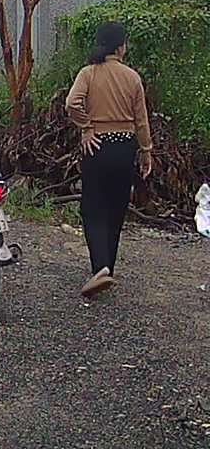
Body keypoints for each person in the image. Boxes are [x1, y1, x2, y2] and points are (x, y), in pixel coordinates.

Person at [66, 21, 152, 298]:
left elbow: (72, 103)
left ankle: (100, 268)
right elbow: (141, 120)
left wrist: (87, 127)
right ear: (121, 47)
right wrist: (146, 151)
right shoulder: (132, 77)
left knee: (93, 208)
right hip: (125, 148)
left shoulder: (88, 73)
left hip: (97, 147)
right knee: (116, 209)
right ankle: (107, 269)